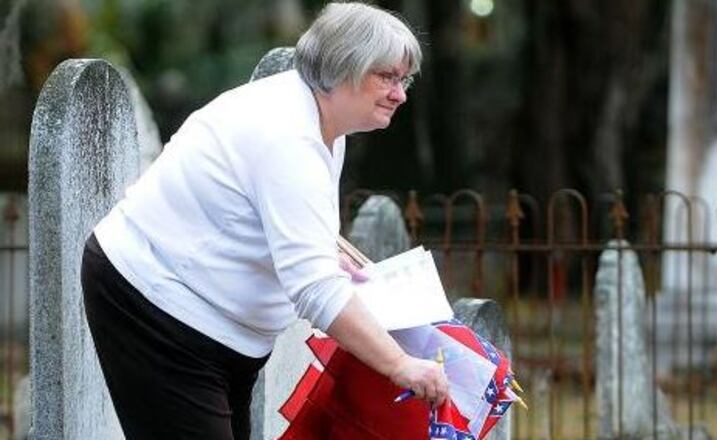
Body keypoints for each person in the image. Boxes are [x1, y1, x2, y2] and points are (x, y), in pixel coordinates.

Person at [80, 3, 448, 439]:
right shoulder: (288, 137)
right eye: (386, 77)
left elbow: (275, 217)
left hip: (217, 326)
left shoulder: (326, 124)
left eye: (403, 79)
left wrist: (319, 246)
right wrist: (400, 364)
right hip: (156, 304)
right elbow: (314, 289)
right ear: (342, 68)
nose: (400, 93)